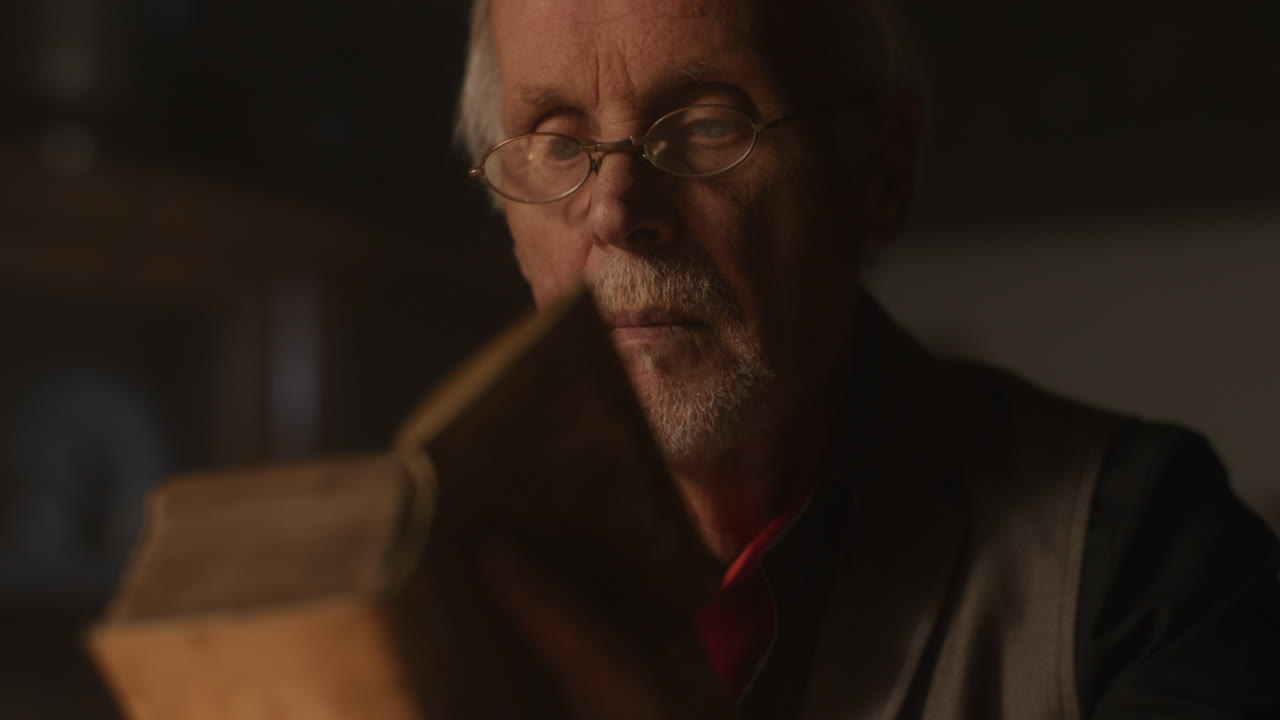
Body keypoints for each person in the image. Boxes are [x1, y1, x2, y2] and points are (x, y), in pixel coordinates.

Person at [455, 0, 1280, 717]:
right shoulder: (432, 567)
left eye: (708, 124)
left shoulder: (1144, 556)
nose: (615, 209)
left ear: (880, 169)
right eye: (557, 144)